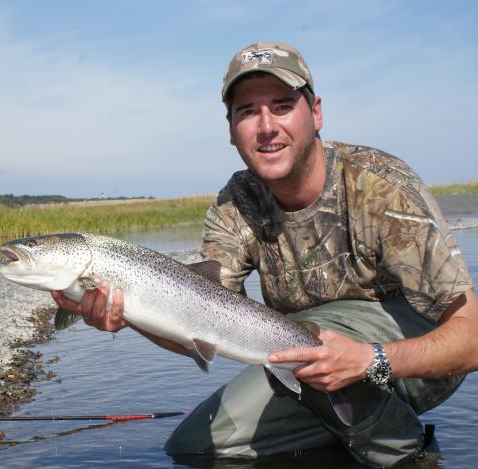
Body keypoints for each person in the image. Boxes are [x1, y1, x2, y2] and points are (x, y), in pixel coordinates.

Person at [51, 42, 478, 466]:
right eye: (248, 111)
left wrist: (371, 361)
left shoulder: (382, 188)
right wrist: (130, 314)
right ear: (231, 128)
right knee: (198, 447)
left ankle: (408, 456)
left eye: (282, 105)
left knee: (306, 347)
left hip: (412, 361)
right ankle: (347, 433)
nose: (266, 126)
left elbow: (472, 340)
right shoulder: (235, 203)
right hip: (305, 363)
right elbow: (199, 325)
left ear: (316, 113)